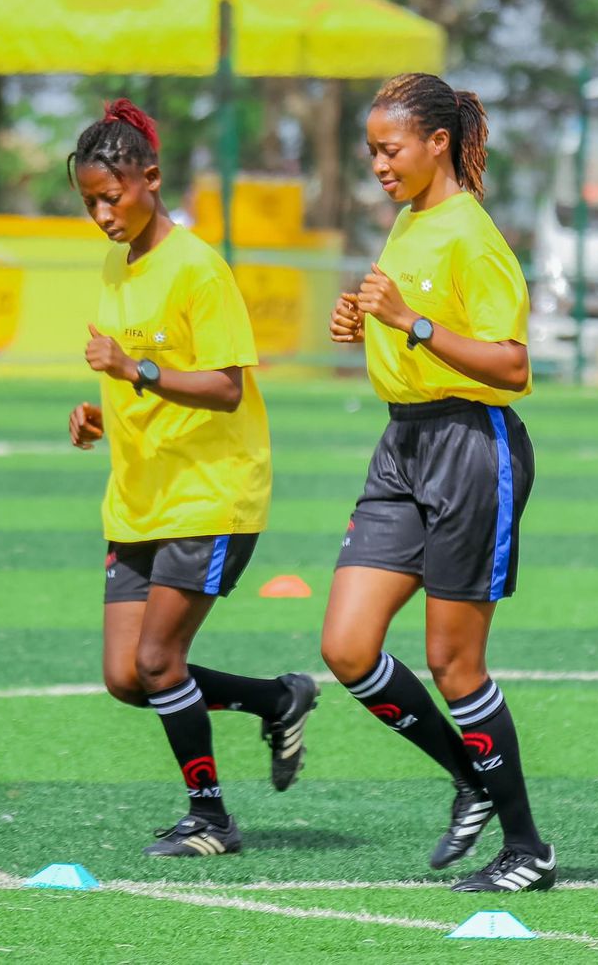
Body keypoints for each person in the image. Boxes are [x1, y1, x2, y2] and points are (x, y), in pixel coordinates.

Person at [66, 98, 318, 858]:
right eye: (89, 203)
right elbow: (136, 378)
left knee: (157, 661)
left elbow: (226, 386)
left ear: (151, 178)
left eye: (112, 197)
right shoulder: (117, 263)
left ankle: (209, 817)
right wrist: (100, 414)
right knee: (125, 676)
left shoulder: (198, 268)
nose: (103, 215)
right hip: (139, 496)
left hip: (211, 493)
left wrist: (133, 367)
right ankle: (279, 698)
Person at [322, 72, 555, 892]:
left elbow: (514, 366)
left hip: (470, 447)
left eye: (390, 150)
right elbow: (408, 332)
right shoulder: (410, 219)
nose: (379, 165)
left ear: (437, 144)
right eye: (372, 152)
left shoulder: (472, 234)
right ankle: (469, 779)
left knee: (455, 664)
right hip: (402, 446)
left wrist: (408, 322)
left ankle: (527, 847)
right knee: (347, 647)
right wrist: (366, 326)